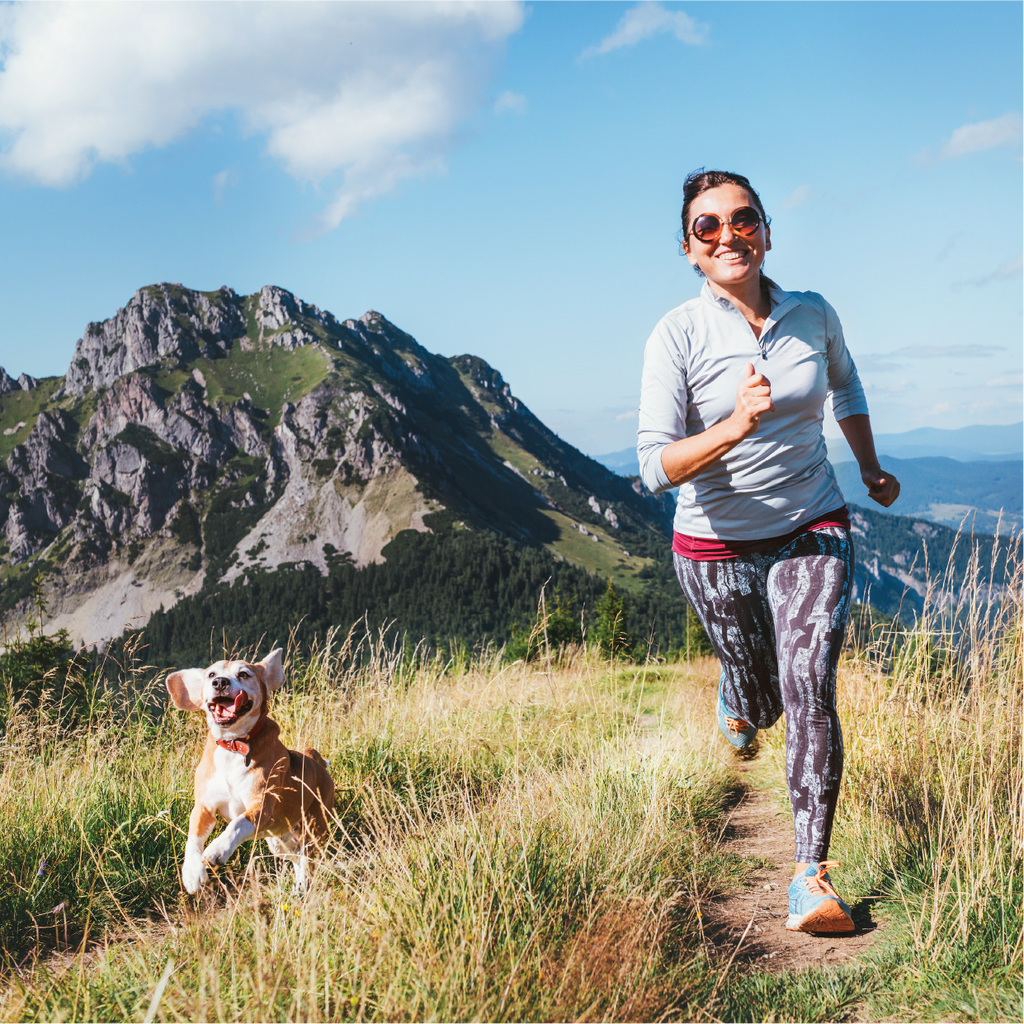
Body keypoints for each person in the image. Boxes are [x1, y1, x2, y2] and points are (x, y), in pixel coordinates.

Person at [637, 169, 899, 936]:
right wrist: (731, 427)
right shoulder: (677, 335)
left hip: (812, 524)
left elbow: (845, 387)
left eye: (742, 218)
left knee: (810, 678)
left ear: (767, 230)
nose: (729, 235)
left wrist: (871, 466)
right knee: (765, 696)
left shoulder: (811, 314)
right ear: (689, 250)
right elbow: (653, 467)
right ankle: (738, 698)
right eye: (708, 227)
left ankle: (809, 877)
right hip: (713, 547)